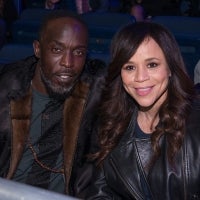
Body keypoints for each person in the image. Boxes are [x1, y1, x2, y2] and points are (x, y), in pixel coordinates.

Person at [86, 22, 200, 199]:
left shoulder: (196, 124)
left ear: (170, 68)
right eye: (130, 67)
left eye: (152, 64)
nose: (140, 78)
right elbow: (99, 192)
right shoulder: (108, 125)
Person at [0, 9, 106, 198]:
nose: (68, 62)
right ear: (38, 49)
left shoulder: (96, 87)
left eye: (79, 52)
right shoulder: (6, 89)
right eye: (57, 50)